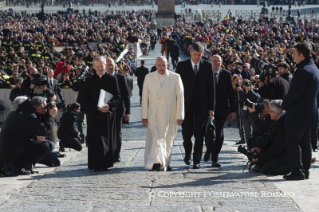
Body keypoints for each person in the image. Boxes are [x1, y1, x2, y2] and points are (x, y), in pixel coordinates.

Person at [282, 43, 319, 180]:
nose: (293, 56)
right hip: (308, 112)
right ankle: (305, 170)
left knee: (293, 141)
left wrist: (284, 105)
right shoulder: (313, 68)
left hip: (298, 113)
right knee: (305, 142)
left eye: (294, 54)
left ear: (302, 55)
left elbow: (294, 93)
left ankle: (297, 170)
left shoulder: (304, 71)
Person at [176, 42, 215, 169]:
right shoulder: (181, 66)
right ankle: (187, 153)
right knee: (187, 133)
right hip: (186, 105)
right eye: (195, 54)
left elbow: (211, 88)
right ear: (190, 53)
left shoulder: (207, 66)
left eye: (199, 55)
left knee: (199, 134)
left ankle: (196, 160)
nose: (197, 57)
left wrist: (211, 108)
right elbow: (176, 88)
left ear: (202, 54)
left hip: (202, 106)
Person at [142, 56, 184, 171]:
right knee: (155, 138)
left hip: (170, 114)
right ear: (156, 66)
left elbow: (180, 97)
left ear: (167, 65)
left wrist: (180, 115)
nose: (161, 67)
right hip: (153, 113)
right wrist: (144, 116)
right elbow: (145, 98)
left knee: (167, 138)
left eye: (163, 65)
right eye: (159, 65)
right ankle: (155, 162)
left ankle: (165, 161)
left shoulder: (175, 77)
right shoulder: (149, 77)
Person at [0, 96, 57, 175]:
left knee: (55, 160)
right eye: (45, 108)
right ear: (38, 109)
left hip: (15, 146)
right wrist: (51, 116)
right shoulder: (27, 115)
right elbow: (43, 131)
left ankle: (26, 165)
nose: (46, 109)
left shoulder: (20, 112)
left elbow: (38, 125)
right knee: (47, 146)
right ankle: (18, 166)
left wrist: (47, 115)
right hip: (14, 149)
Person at [84, 56, 121, 171]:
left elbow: (118, 97)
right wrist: (96, 107)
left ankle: (106, 163)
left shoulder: (112, 79)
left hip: (107, 115)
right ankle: (95, 164)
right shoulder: (89, 80)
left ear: (105, 65)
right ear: (94, 67)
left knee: (106, 139)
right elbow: (84, 99)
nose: (100, 68)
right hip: (94, 115)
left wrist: (109, 106)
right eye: (97, 66)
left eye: (102, 66)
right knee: (95, 140)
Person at [204, 55, 236, 167]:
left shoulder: (226, 74)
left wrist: (233, 110)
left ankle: (215, 157)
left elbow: (231, 93)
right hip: (207, 109)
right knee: (207, 132)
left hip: (221, 109)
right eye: (214, 61)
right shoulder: (205, 73)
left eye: (218, 61)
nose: (216, 63)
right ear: (210, 62)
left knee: (219, 133)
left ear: (221, 62)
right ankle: (208, 150)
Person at [250, 100, 290, 175]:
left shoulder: (282, 126)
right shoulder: (277, 121)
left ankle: (291, 167)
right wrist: (260, 150)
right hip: (279, 152)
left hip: (285, 155)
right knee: (262, 165)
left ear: (276, 113)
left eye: (270, 111)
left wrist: (260, 158)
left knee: (266, 169)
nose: (268, 113)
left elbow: (276, 148)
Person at [105, 58, 130, 163]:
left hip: (118, 109)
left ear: (115, 65)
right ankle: (108, 153)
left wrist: (128, 111)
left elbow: (126, 95)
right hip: (105, 109)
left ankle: (117, 154)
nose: (110, 67)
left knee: (117, 133)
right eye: (108, 65)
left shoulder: (120, 77)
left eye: (112, 64)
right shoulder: (103, 77)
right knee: (107, 133)